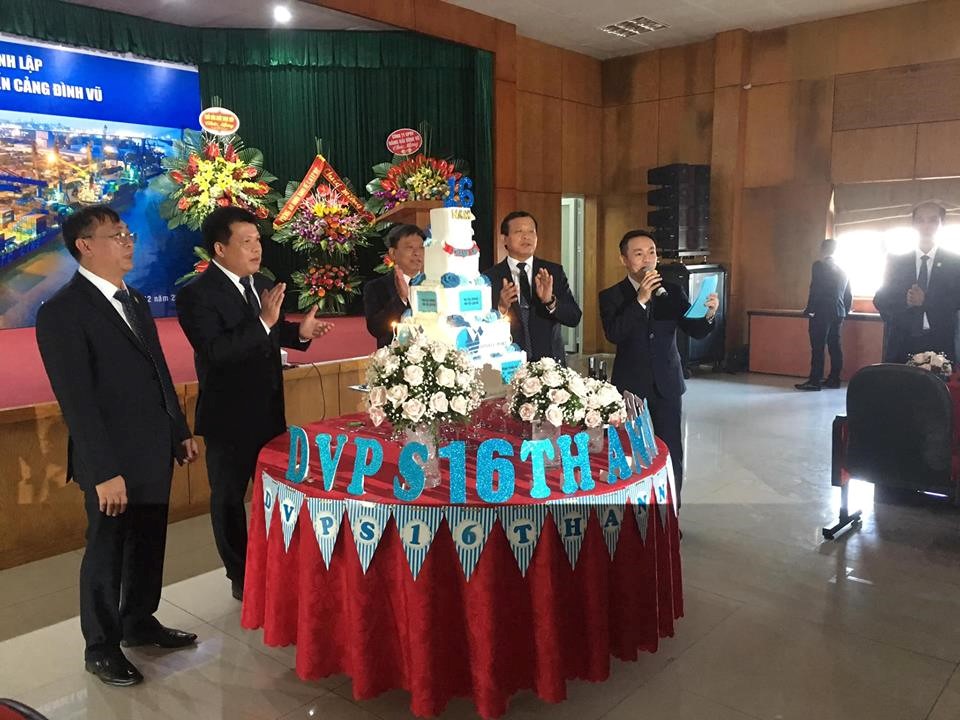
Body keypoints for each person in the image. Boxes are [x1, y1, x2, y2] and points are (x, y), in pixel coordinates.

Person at [36, 205, 200, 687]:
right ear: (85, 246)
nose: (129, 241)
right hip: (110, 459)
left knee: (149, 542)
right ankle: (101, 647)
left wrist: (178, 430)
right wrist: (104, 470)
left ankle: (139, 621)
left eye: (129, 233)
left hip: (152, 447)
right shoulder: (63, 311)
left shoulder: (135, 300)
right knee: (107, 553)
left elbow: (157, 370)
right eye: (116, 235)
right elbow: (77, 401)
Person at [175, 206, 333, 601]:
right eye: (246, 242)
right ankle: (240, 574)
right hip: (228, 417)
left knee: (277, 495)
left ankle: (280, 563)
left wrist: (300, 333)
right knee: (229, 500)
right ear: (220, 248)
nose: (256, 248)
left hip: (268, 412)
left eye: (258, 240)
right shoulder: (196, 295)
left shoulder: (261, 283)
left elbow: (271, 332)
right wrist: (263, 321)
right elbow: (216, 352)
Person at [599, 230, 718, 506]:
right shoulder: (612, 295)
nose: (647, 259)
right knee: (631, 452)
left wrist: (709, 314)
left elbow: (694, 329)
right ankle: (633, 512)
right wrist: (640, 300)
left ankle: (671, 513)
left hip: (667, 383)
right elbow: (615, 333)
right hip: (630, 386)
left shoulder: (671, 291)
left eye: (651, 252)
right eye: (639, 253)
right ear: (624, 259)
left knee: (671, 451)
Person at [483, 211, 582, 365]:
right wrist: (501, 308)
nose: (526, 237)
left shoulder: (552, 272)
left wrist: (550, 301)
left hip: (549, 366)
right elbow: (481, 327)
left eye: (531, 232)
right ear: (504, 239)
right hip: (508, 364)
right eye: (519, 232)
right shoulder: (489, 277)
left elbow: (574, 317)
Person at [874, 201, 960, 363]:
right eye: (920, 220)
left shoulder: (955, 263)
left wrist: (926, 301)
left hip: (940, 343)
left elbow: (956, 301)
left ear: (942, 223)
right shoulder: (897, 261)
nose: (926, 226)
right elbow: (880, 300)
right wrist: (906, 301)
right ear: (913, 224)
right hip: (902, 342)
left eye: (932, 220)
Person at [795, 238, 852, 391]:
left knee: (818, 347)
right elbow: (848, 295)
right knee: (835, 346)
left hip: (821, 311)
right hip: (838, 312)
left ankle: (815, 381)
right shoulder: (843, 270)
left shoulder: (818, 266)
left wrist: (810, 309)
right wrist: (844, 311)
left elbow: (815, 288)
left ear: (822, 249)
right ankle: (834, 379)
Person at [363, 224, 425, 347]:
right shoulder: (376, 287)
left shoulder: (434, 283)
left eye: (421, 247)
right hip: (394, 355)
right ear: (393, 253)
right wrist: (401, 298)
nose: (417, 253)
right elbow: (376, 329)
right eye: (410, 247)